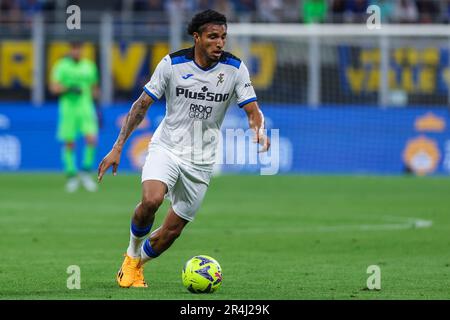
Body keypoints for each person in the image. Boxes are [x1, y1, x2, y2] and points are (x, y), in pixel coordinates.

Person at [97, 9, 270, 288]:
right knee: (151, 200)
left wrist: (259, 129)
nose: (220, 43)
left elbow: (253, 110)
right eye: (213, 37)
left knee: (171, 232)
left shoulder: (235, 69)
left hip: (201, 161)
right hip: (167, 147)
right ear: (197, 37)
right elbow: (141, 105)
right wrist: (117, 147)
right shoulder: (172, 64)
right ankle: (131, 257)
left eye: (223, 37)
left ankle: (136, 265)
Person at [50, 42, 100, 193]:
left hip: (85, 108)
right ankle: (72, 176)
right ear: (70, 50)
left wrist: (98, 107)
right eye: (74, 49)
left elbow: (94, 88)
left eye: (79, 49)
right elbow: (54, 87)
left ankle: (85, 173)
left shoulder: (89, 66)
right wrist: (69, 88)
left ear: (82, 50)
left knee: (91, 139)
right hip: (68, 109)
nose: (76, 52)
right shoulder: (62, 66)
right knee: (69, 142)